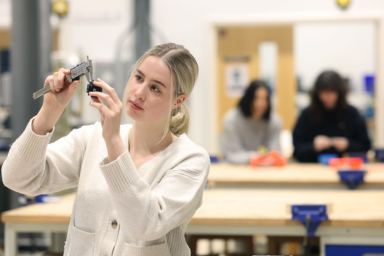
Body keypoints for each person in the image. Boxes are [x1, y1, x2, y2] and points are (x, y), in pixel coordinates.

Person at [2, 43, 210, 256]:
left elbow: (145, 225)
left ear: (178, 101)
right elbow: (16, 177)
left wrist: (113, 141)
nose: (139, 93)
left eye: (155, 88)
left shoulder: (191, 160)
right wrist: (50, 110)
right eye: (138, 78)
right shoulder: (90, 138)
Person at [293, 70, 371, 162]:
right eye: (323, 92)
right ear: (317, 93)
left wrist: (348, 144)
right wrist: (313, 146)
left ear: (339, 92)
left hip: (345, 167)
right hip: (312, 169)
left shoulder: (352, 113)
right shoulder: (307, 114)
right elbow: (297, 151)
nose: (326, 97)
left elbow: (366, 146)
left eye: (331, 92)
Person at [222, 80, 283, 164]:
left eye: (265, 98)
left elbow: (276, 152)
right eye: (256, 98)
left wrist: (269, 157)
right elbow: (232, 154)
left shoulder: (275, 121)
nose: (261, 103)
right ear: (248, 98)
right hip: (237, 170)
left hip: (266, 171)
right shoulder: (231, 120)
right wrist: (256, 157)